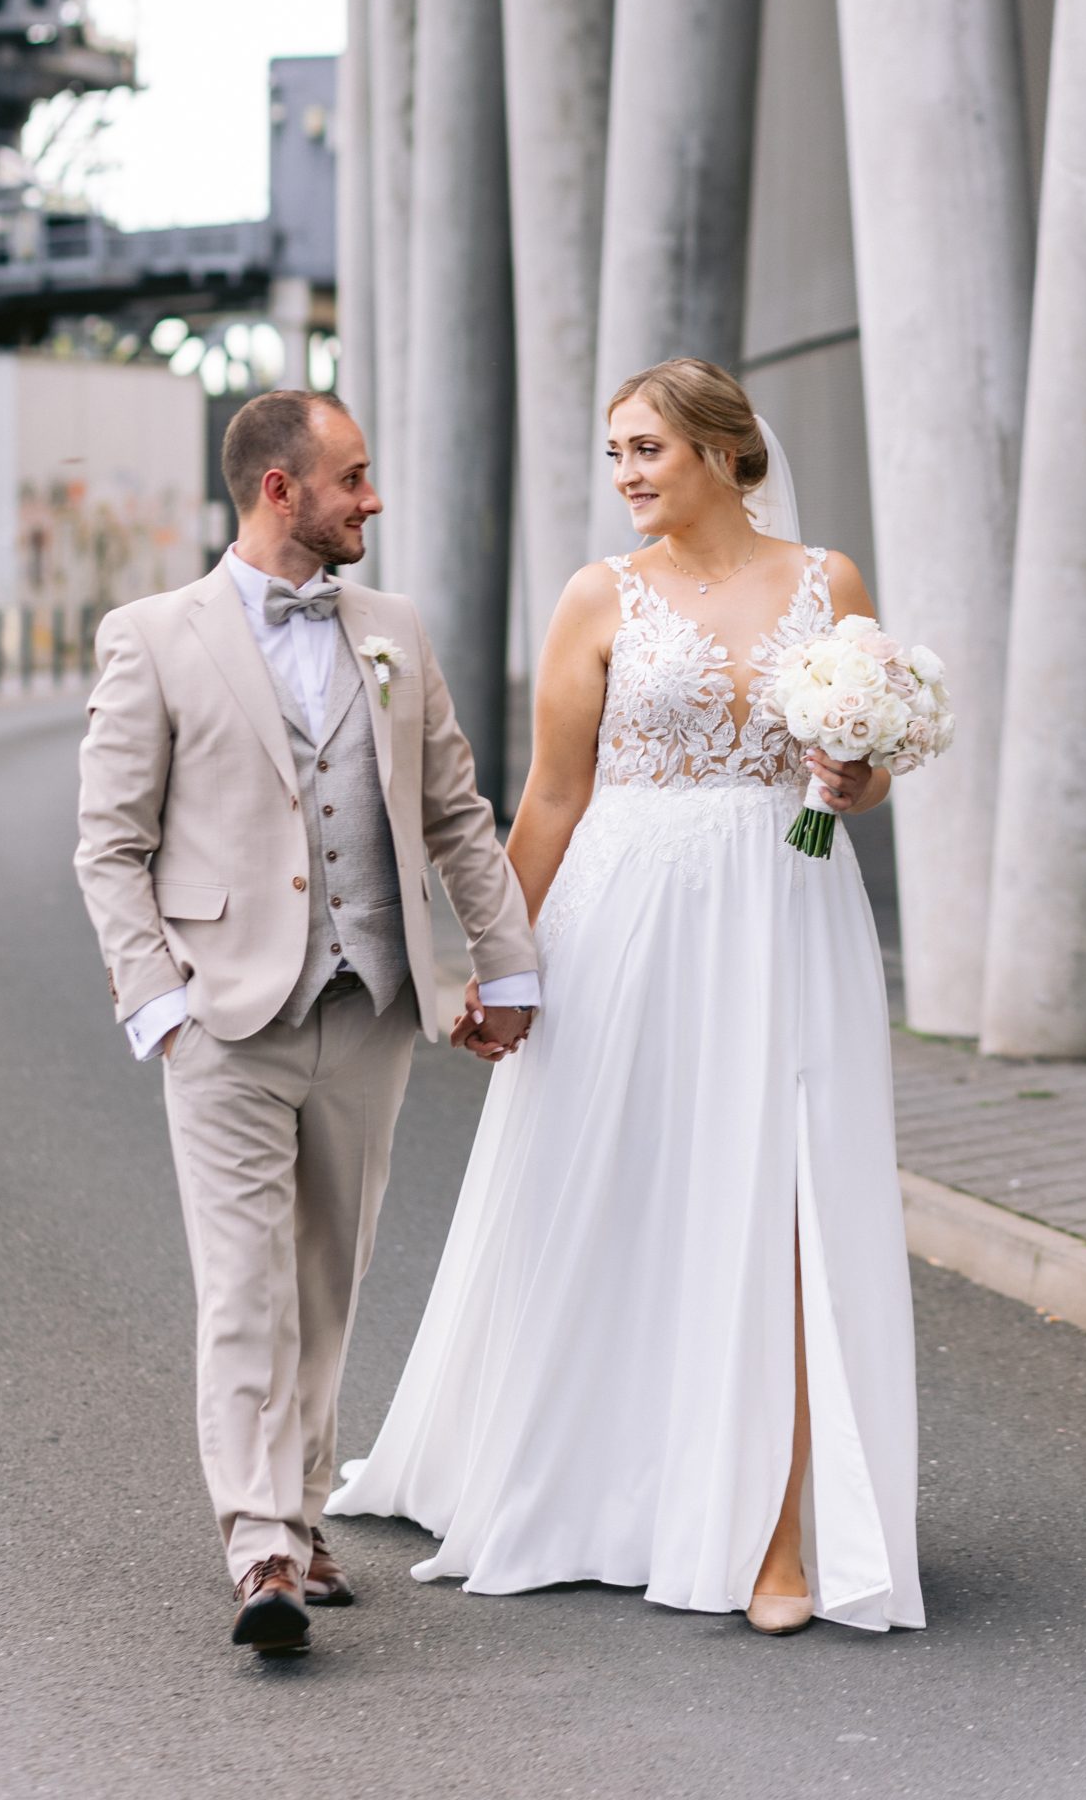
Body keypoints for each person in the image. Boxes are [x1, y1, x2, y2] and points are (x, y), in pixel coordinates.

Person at [329, 358, 924, 1636]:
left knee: (781, 1201)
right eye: (615, 454)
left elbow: (861, 787)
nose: (627, 475)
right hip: (624, 914)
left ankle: (772, 1533)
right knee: (617, 1185)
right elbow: (550, 797)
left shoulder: (833, 584)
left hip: (782, 909)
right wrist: (505, 960)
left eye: (646, 447)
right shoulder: (600, 596)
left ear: (722, 449)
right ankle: (597, 1479)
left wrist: (852, 771)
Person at [74, 390, 538, 1653]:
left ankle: (306, 1507)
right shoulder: (155, 636)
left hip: (370, 1006)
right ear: (282, 489)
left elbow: (454, 811)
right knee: (243, 1289)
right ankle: (261, 1543)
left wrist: (507, 966)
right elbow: (109, 844)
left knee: (327, 1280)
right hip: (224, 1014)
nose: (371, 498)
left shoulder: (392, 629)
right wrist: (159, 1000)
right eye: (354, 477)